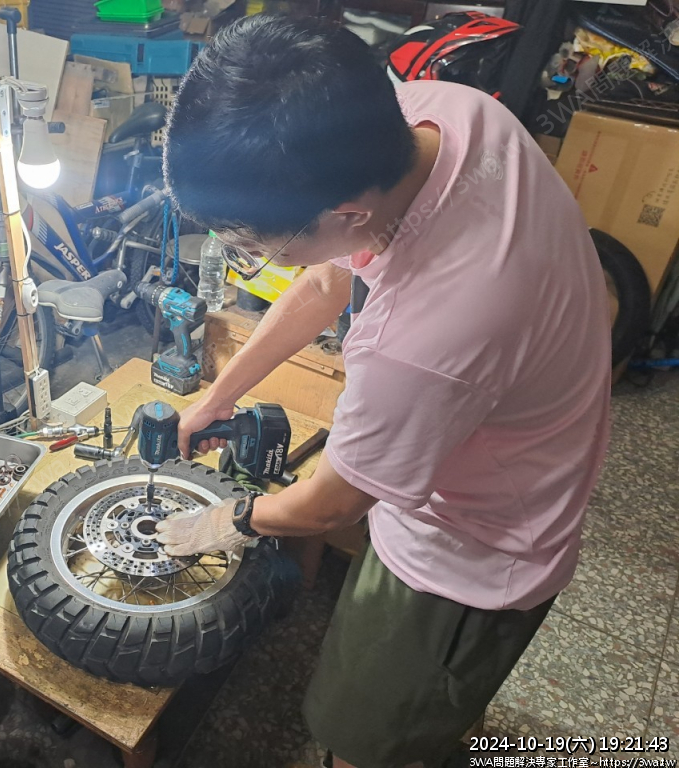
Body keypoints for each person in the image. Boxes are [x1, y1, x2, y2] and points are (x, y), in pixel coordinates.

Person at [154, 15, 611, 768]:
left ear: (347, 215)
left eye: (256, 246)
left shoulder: (424, 340)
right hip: (510, 439)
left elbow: (330, 506)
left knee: (363, 743)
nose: (251, 258)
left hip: (476, 557)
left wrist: (226, 520)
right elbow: (329, 277)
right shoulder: (442, 114)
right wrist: (219, 395)